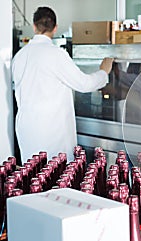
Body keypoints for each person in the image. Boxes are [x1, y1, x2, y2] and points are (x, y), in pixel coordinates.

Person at [12, 6, 114, 163]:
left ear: (34, 26)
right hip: (51, 132)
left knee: (33, 177)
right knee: (56, 177)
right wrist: (103, 72)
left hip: (26, 130)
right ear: (55, 28)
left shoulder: (19, 57)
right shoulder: (56, 54)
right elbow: (84, 84)